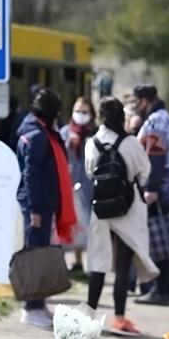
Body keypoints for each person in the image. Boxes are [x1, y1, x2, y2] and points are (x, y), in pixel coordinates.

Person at [84, 97, 160, 335]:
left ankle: (89, 317)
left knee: (98, 263)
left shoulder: (92, 143)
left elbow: (89, 172)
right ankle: (119, 318)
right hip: (127, 209)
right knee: (123, 265)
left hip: (101, 209)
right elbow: (145, 172)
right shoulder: (130, 143)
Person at [14, 88, 78, 329]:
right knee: (35, 255)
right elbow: (32, 176)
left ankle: (38, 305)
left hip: (39, 203)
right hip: (37, 205)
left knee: (39, 252)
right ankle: (31, 308)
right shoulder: (38, 136)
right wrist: (35, 211)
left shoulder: (32, 130)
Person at [132, 84, 169, 307]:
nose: (136, 106)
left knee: (160, 239)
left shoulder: (155, 121)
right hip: (166, 184)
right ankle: (164, 290)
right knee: (164, 238)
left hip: (160, 186)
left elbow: (156, 155)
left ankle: (162, 290)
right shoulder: (163, 117)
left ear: (145, 100)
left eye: (138, 101)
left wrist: (151, 187)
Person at [60, 97, 97, 274]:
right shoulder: (65, 133)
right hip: (70, 184)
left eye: (84, 112)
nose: (80, 115)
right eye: (77, 111)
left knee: (91, 225)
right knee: (74, 224)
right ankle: (76, 261)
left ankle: (91, 264)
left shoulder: (96, 134)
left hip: (90, 185)